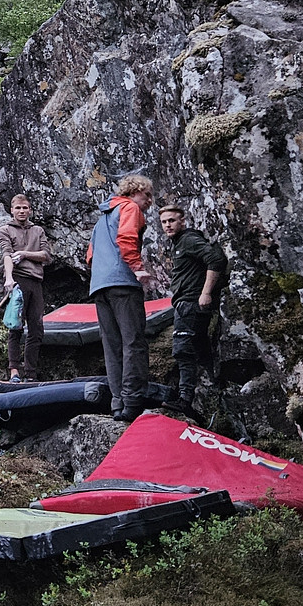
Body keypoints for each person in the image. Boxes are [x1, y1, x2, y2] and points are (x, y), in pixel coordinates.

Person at [85, 174, 155, 422]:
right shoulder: (130, 208)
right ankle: (133, 400)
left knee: (111, 345)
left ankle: (117, 404)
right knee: (133, 342)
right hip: (123, 283)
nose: (149, 201)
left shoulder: (102, 219)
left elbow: (90, 256)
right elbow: (126, 237)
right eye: (147, 195)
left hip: (99, 286)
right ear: (134, 192)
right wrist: (137, 268)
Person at [159, 205, 228, 414]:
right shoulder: (179, 243)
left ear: (182, 221)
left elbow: (216, 259)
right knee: (200, 349)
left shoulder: (188, 240)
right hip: (187, 303)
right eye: (164, 222)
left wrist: (206, 292)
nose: (168, 225)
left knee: (182, 350)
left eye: (172, 220)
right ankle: (213, 395)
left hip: (190, 303)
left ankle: (185, 400)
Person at [0, 192, 52, 381]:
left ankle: (31, 373)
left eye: (25, 208)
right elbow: (6, 254)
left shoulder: (38, 230)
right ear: (11, 210)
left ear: (30, 210)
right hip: (17, 281)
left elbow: (46, 255)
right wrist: (9, 278)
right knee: (15, 326)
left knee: (36, 328)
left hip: (35, 281)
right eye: (18, 208)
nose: (21, 211)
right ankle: (14, 370)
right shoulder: (4, 230)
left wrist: (24, 254)